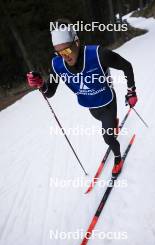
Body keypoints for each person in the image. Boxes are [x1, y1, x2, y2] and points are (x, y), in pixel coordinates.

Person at [27, 19, 138, 177]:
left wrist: (131, 91)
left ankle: (118, 158)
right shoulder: (57, 65)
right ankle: (112, 123)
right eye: (58, 53)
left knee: (107, 137)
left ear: (76, 42)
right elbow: (49, 91)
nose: (64, 57)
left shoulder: (99, 55)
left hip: (107, 102)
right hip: (91, 107)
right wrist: (40, 84)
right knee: (104, 122)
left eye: (66, 51)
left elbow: (126, 66)